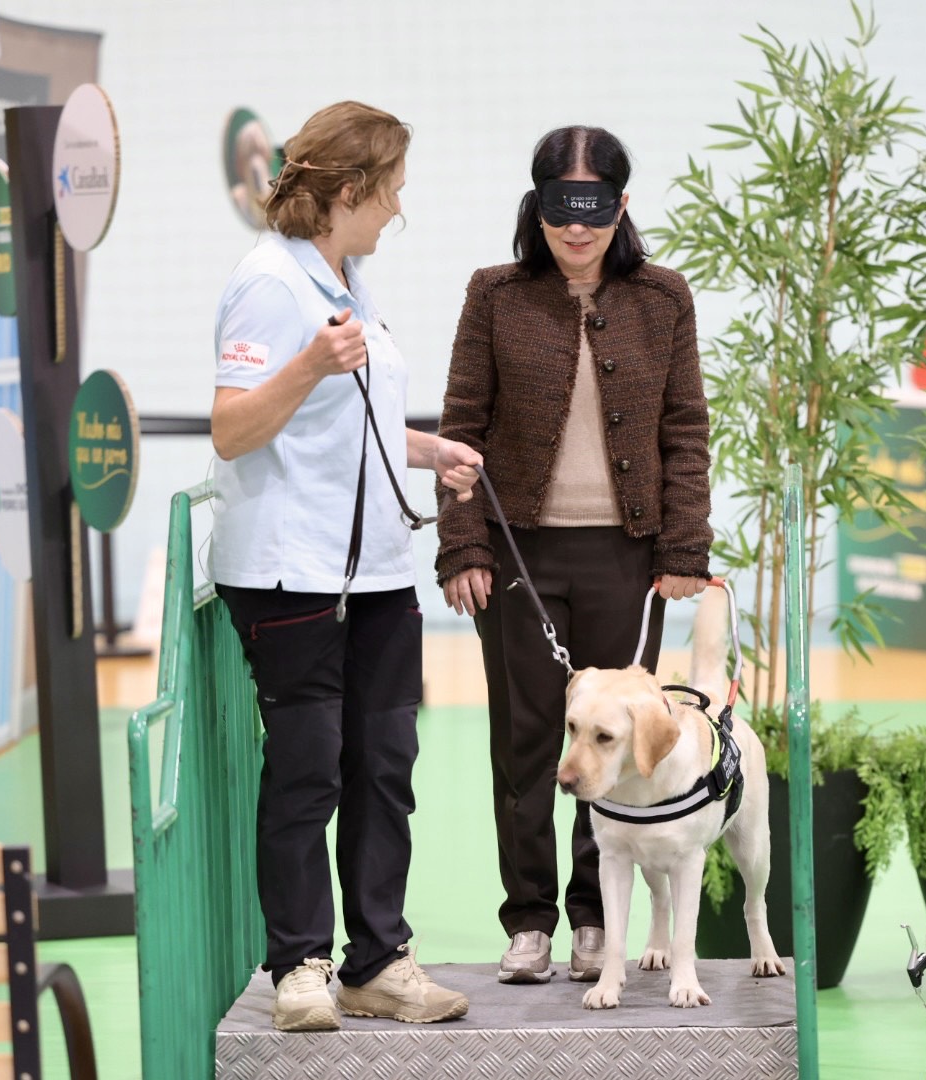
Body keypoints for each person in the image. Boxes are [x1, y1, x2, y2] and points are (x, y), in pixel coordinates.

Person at [209, 100, 480, 1032]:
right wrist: (307, 367)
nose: (398, 207)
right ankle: (299, 967)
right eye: (392, 188)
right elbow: (232, 427)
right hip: (290, 569)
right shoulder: (267, 284)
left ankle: (378, 962)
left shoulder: (347, 277)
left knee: (385, 763)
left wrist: (429, 451)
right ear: (349, 190)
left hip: (374, 571)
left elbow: (350, 423)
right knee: (309, 768)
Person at [435, 126, 713, 984]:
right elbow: (462, 428)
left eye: (595, 207)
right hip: (518, 552)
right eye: (562, 207)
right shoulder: (495, 294)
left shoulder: (663, 298)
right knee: (524, 740)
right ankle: (529, 922)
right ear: (539, 205)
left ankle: (597, 921)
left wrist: (685, 544)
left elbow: (685, 429)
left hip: (628, 557)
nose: (578, 227)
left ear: (622, 206)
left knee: (615, 741)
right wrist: (462, 545)